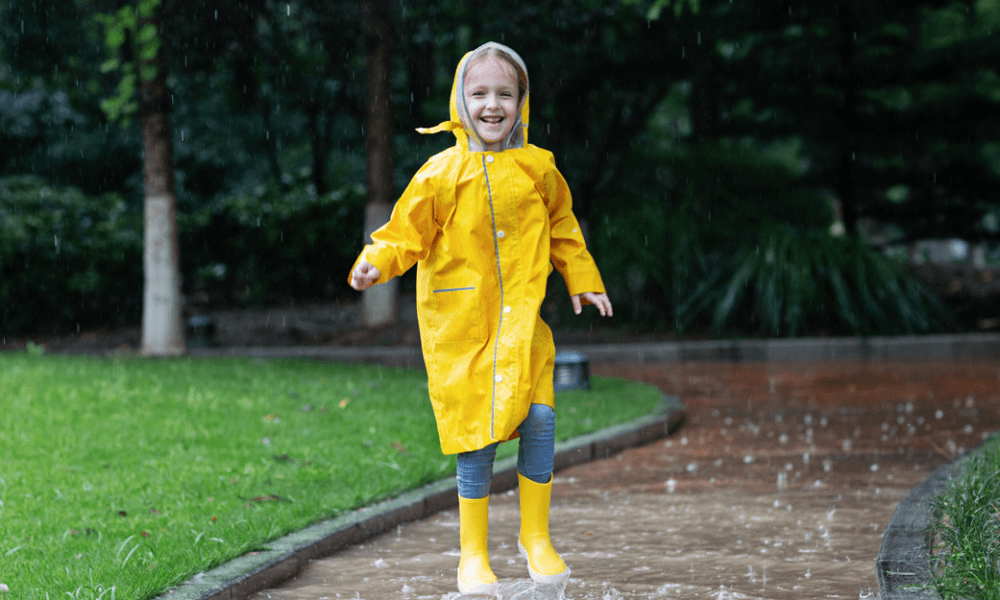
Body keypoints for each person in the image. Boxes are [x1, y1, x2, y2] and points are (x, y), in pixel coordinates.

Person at [348, 41, 612, 596]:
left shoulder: (539, 168)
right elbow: (405, 234)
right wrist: (375, 260)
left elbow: (563, 226)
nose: (492, 105)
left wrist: (582, 279)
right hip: (462, 328)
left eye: (505, 94)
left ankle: (534, 535)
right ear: (460, 101)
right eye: (480, 94)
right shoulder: (440, 173)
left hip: (524, 327)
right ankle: (472, 553)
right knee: (479, 437)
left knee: (539, 419)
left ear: (522, 103)